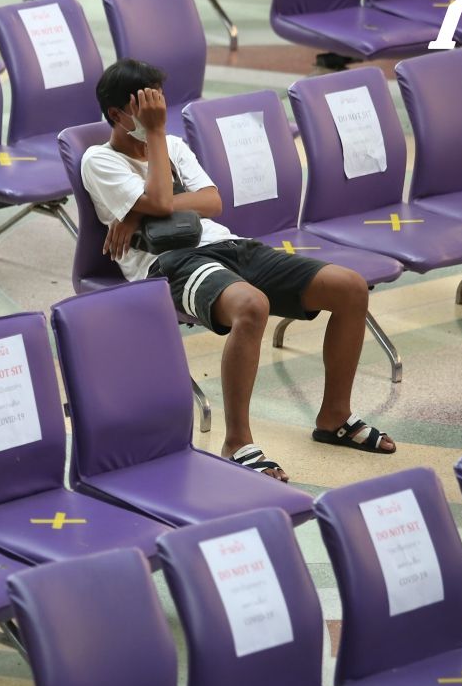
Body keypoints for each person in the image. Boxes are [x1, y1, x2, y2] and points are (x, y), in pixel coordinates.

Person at [80, 59, 395, 482]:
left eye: (160, 102)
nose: (158, 112)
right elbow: (161, 201)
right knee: (251, 306)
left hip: (228, 244)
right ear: (117, 114)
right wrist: (153, 145)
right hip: (168, 263)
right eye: (147, 106)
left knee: (350, 287)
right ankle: (237, 442)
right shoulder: (99, 160)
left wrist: (137, 212)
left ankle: (334, 417)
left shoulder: (172, 145)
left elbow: (211, 202)